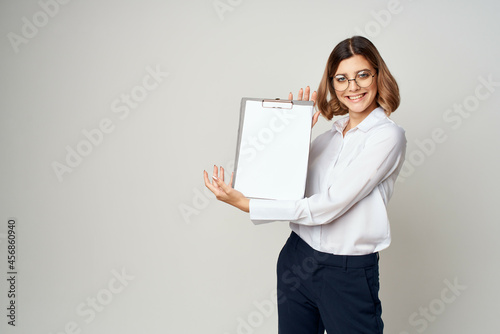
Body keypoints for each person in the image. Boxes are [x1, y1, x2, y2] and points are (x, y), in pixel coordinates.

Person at [203, 36, 406, 334]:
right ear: (332, 84)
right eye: (342, 78)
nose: (353, 87)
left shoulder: (387, 137)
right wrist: (292, 134)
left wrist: (246, 205)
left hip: (346, 273)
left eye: (362, 75)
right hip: (297, 259)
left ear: (378, 76)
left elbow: (329, 206)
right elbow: (287, 187)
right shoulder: (327, 139)